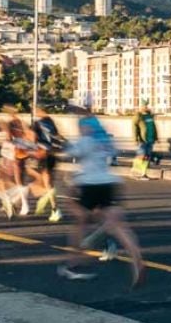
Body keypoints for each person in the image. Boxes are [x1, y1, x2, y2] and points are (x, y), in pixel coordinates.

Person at [57, 106, 144, 286]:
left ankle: (75, 261)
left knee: (79, 220)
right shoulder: (105, 140)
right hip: (110, 182)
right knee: (119, 226)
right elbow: (113, 153)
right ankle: (136, 257)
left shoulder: (84, 140)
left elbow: (68, 153)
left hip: (89, 184)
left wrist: (63, 144)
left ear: (84, 128)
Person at [30, 105, 63, 222]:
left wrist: (33, 151)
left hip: (43, 153)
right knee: (46, 182)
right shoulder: (50, 121)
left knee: (45, 183)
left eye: (35, 110)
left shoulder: (37, 124)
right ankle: (51, 205)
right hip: (52, 154)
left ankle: (55, 209)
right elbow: (58, 136)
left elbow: (33, 139)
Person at [132, 101, 158, 180]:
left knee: (147, 157)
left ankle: (144, 174)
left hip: (150, 140)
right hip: (143, 140)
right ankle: (134, 171)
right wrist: (135, 139)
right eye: (144, 106)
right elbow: (134, 128)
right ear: (141, 107)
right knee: (141, 156)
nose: (146, 107)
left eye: (147, 106)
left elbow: (153, 127)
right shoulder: (138, 116)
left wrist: (156, 137)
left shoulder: (150, 116)